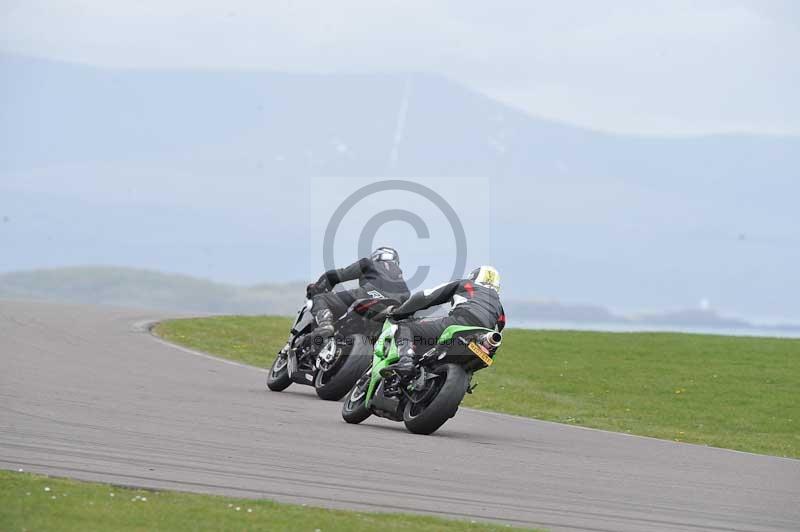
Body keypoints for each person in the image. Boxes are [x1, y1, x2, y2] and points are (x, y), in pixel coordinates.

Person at [382, 265, 505, 377]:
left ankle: (405, 361)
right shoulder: (499, 307)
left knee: (405, 328)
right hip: (483, 339)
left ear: (474, 277)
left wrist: (398, 312)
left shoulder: (466, 285)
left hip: (460, 323)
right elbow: (499, 333)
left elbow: (426, 297)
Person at [305, 247, 410, 341]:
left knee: (319, 299)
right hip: (393, 309)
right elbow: (407, 297)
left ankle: (325, 325)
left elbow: (336, 276)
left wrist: (316, 288)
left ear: (376, 256)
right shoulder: (402, 282)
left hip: (367, 294)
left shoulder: (368, 263)